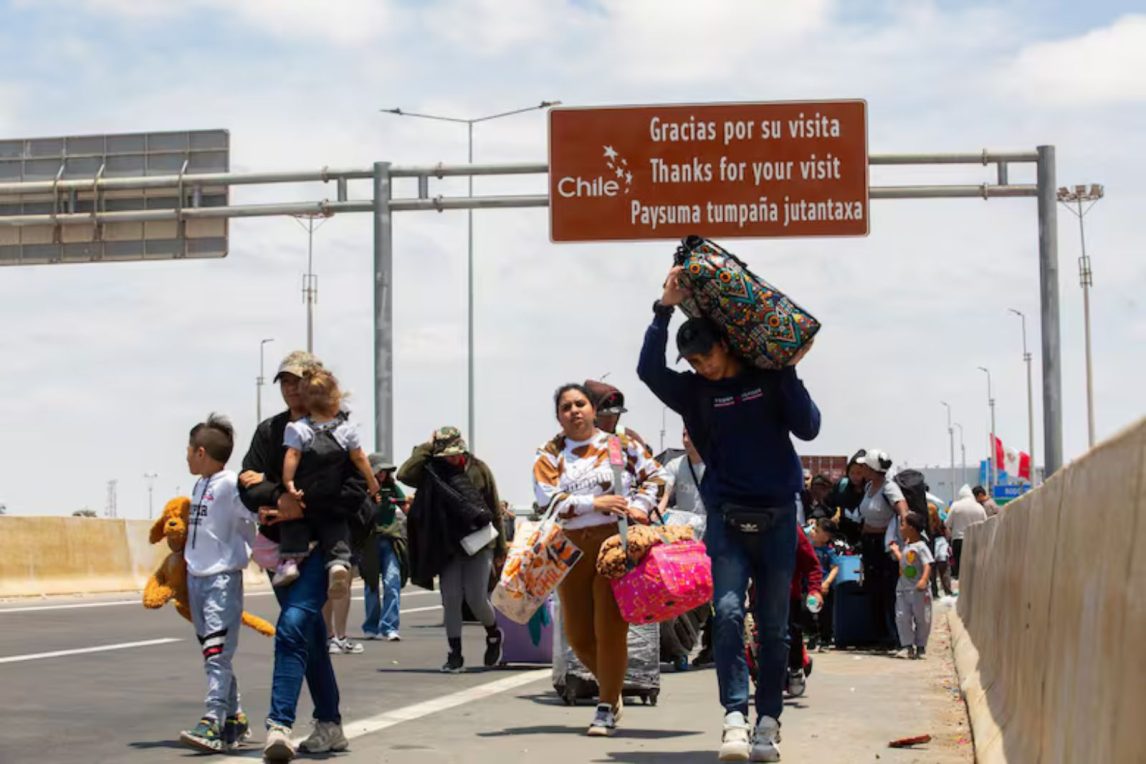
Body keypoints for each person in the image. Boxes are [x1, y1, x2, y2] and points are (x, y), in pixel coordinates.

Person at [638, 268, 820, 763]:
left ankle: (768, 722)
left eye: (707, 357)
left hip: (779, 519)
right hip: (726, 519)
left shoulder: (769, 379)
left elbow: (809, 428)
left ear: (729, 347)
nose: (701, 367)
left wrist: (787, 370)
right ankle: (735, 718)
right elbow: (648, 373)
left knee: (775, 625)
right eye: (692, 361)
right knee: (729, 614)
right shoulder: (695, 392)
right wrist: (662, 309)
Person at [238, 351, 360, 760]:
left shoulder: (342, 431)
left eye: (298, 381)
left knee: (291, 627)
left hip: (322, 550)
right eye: (285, 382)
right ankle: (330, 725)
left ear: (316, 384)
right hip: (279, 548)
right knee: (308, 637)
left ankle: (278, 726)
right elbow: (246, 482)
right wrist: (276, 495)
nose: (291, 389)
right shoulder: (271, 431)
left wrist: (299, 504)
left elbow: (357, 492)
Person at [533, 383, 667, 737]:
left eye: (580, 404)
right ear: (559, 416)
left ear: (593, 410)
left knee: (610, 628)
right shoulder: (550, 454)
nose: (574, 411)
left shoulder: (618, 445)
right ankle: (613, 686)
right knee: (578, 636)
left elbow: (656, 477)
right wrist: (595, 503)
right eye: (566, 407)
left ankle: (605, 706)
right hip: (571, 547)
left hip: (613, 543)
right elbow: (548, 500)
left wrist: (638, 509)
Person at [399, 427, 506, 674]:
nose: (452, 459)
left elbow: (494, 508)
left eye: (455, 453)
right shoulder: (432, 471)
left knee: (477, 598)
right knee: (451, 599)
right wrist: (427, 447)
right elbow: (404, 474)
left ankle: (493, 634)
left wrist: (500, 549)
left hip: (479, 542)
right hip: (447, 543)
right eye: (446, 454)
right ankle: (454, 653)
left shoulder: (479, 470)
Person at [178, 414, 256, 753]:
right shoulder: (199, 484)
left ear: (200, 451)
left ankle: (212, 720)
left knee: (216, 654)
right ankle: (234, 717)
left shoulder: (229, 484)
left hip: (221, 579)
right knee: (214, 653)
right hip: (197, 579)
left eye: (187, 451)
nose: (185, 457)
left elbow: (253, 515)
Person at [275, 367, 381, 595]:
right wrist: (372, 482)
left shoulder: (298, 429)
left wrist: (289, 482)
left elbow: (291, 456)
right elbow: (360, 458)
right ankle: (338, 565)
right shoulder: (346, 430)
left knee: (295, 523)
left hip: (308, 495)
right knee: (336, 529)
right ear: (335, 400)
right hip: (335, 495)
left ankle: (290, 562)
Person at [852, 449, 909, 650]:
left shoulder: (889, 488)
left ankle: (893, 636)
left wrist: (903, 528)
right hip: (869, 544)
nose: (862, 469)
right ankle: (879, 636)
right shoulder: (869, 487)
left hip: (884, 546)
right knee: (874, 588)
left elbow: (902, 508)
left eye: (865, 466)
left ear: (872, 469)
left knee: (888, 590)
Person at [361, 455, 407, 642]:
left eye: (384, 471)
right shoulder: (361, 488)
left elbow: (405, 507)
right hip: (369, 541)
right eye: (379, 470)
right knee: (371, 585)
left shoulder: (392, 488)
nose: (382, 474)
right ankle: (371, 626)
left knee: (392, 582)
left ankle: (389, 627)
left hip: (391, 539)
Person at [785, 525, 823, 697]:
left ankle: (796, 669)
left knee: (793, 632)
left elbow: (812, 564)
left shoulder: (792, 529)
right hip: (759, 595)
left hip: (789, 595)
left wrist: (815, 589)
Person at [889, 513, 933, 659]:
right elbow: (905, 563)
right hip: (903, 589)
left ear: (912, 528)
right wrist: (896, 552)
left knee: (922, 618)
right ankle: (907, 646)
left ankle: (921, 646)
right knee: (902, 617)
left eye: (903, 525)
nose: (900, 528)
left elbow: (927, 564)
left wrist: (924, 579)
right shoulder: (907, 546)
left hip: (918, 591)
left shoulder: (921, 546)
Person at [808, 520, 840, 652]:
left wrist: (826, 582)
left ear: (826, 536)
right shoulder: (808, 548)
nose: (813, 532)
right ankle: (813, 635)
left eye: (817, 530)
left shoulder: (829, 552)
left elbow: (835, 568)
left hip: (823, 587)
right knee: (809, 611)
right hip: (810, 586)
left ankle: (826, 639)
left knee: (825, 614)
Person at [824, 450, 868, 547]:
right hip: (842, 539)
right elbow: (827, 505)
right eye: (852, 472)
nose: (855, 476)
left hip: (864, 541)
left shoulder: (871, 490)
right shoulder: (842, 486)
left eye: (859, 473)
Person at [945, 485, 988, 579]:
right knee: (974, 568)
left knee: (961, 569)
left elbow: (947, 523)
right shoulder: (979, 507)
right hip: (976, 541)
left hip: (958, 540)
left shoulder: (955, 506)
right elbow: (986, 523)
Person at [928, 503, 954, 597]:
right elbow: (947, 535)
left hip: (930, 547)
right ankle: (948, 591)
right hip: (941, 548)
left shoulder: (926, 524)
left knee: (932, 573)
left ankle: (934, 593)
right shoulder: (941, 522)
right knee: (944, 571)